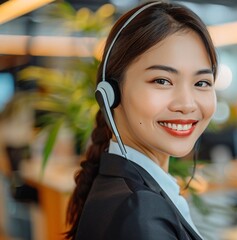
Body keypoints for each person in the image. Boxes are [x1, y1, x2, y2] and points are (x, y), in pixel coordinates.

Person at [65, 1, 217, 239]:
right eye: (162, 80)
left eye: (201, 83)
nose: (187, 104)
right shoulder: (140, 211)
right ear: (111, 93)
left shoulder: (127, 189)